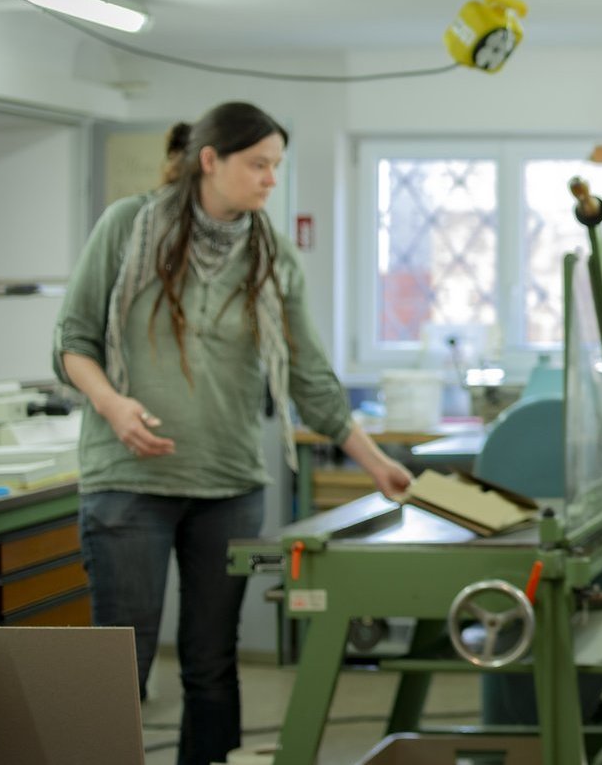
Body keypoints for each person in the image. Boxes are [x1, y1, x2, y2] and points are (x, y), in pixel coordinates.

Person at [52, 102, 412, 765]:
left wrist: (374, 461)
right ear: (209, 160)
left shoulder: (273, 257)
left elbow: (311, 377)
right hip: (129, 483)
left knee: (212, 667)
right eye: (258, 164)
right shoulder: (127, 227)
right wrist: (112, 404)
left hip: (230, 484)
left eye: (277, 166)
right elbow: (72, 342)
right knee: (119, 668)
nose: (271, 179)